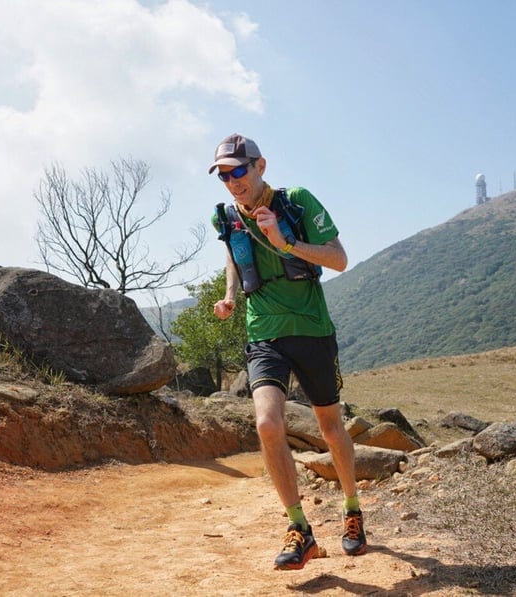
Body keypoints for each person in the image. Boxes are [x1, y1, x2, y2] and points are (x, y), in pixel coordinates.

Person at [209, 133, 367, 570]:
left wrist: (286, 243)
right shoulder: (226, 215)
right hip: (263, 332)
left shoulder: (297, 201)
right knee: (266, 423)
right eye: (224, 175)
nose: (232, 181)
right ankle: (300, 528)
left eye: (238, 170)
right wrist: (229, 295)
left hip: (311, 330)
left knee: (331, 428)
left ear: (260, 166)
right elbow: (234, 255)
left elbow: (338, 259)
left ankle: (352, 510)